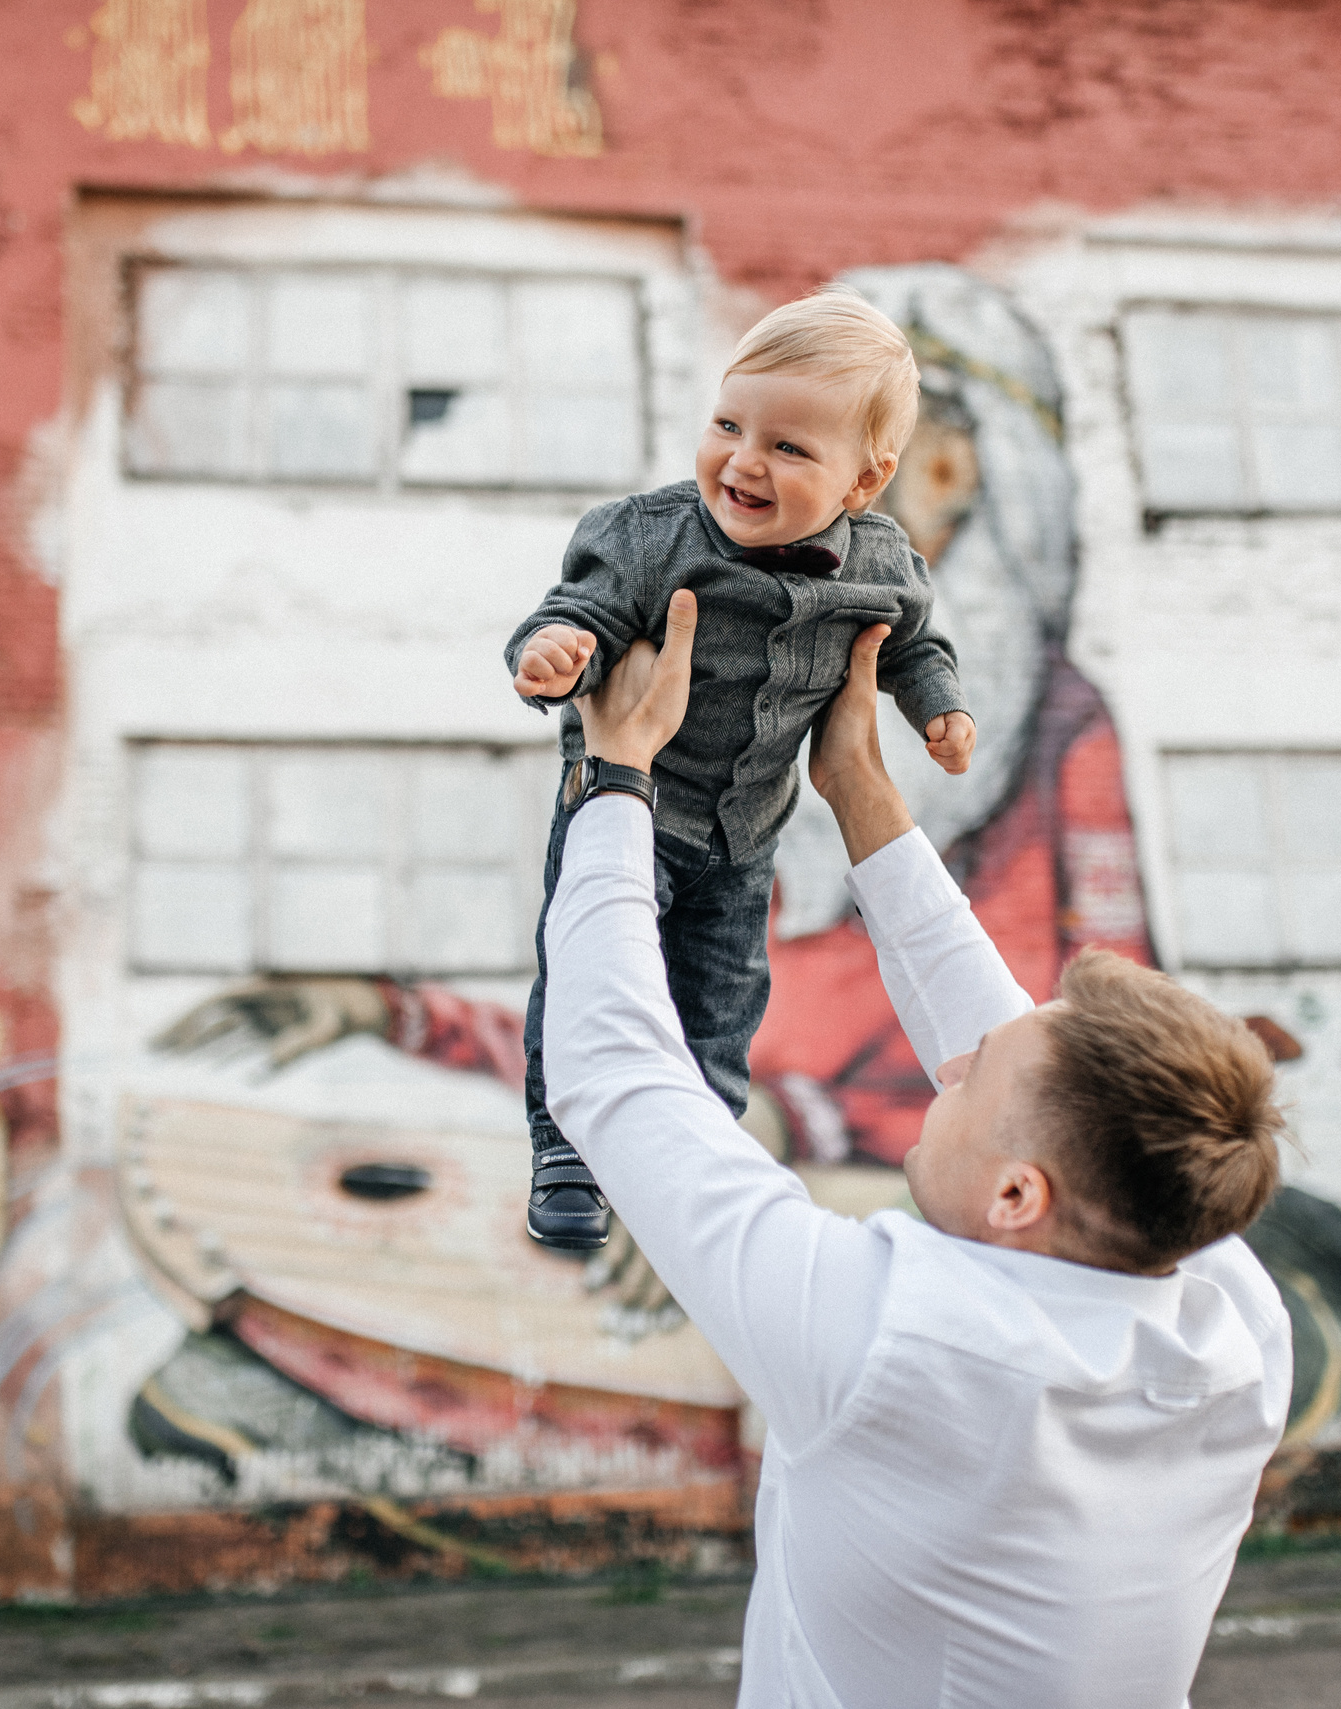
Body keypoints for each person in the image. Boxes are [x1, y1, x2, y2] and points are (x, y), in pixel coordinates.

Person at [543, 590, 1293, 1707]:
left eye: (971, 1079)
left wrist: (612, 779)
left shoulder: (897, 1343)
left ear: (1015, 1195)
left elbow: (615, 1071)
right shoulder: (1228, 1321)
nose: (945, 1065)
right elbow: (1032, 1072)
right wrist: (862, 795)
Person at [508, 286, 976, 1249]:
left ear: (865, 482)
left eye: (789, 448)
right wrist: (556, 652)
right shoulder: (647, 536)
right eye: (729, 424)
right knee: (589, 972)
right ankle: (563, 1149)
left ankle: (702, 1140)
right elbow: (579, 613)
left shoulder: (882, 565)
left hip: (745, 833)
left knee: (723, 996)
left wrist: (941, 708)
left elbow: (915, 646)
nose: (743, 462)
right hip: (624, 808)